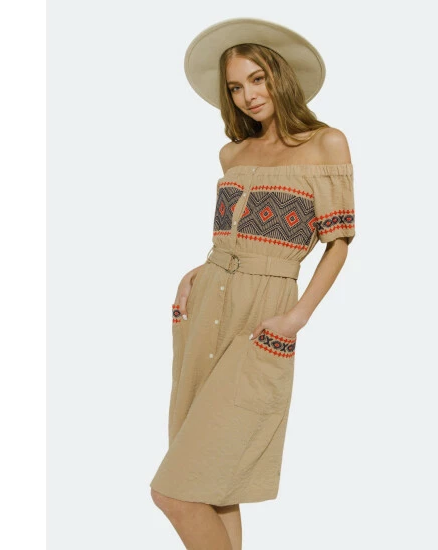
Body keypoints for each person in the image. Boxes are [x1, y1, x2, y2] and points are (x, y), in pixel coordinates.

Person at [149, 17, 356, 550]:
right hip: (207, 304)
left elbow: (338, 243)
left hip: (266, 309)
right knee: (213, 486)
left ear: (279, 76)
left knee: (175, 493)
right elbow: (232, 237)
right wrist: (198, 272)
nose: (248, 95)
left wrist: (296, 317)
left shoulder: (326, 143)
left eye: (257, 79)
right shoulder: (232, 153)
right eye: (236, 87)